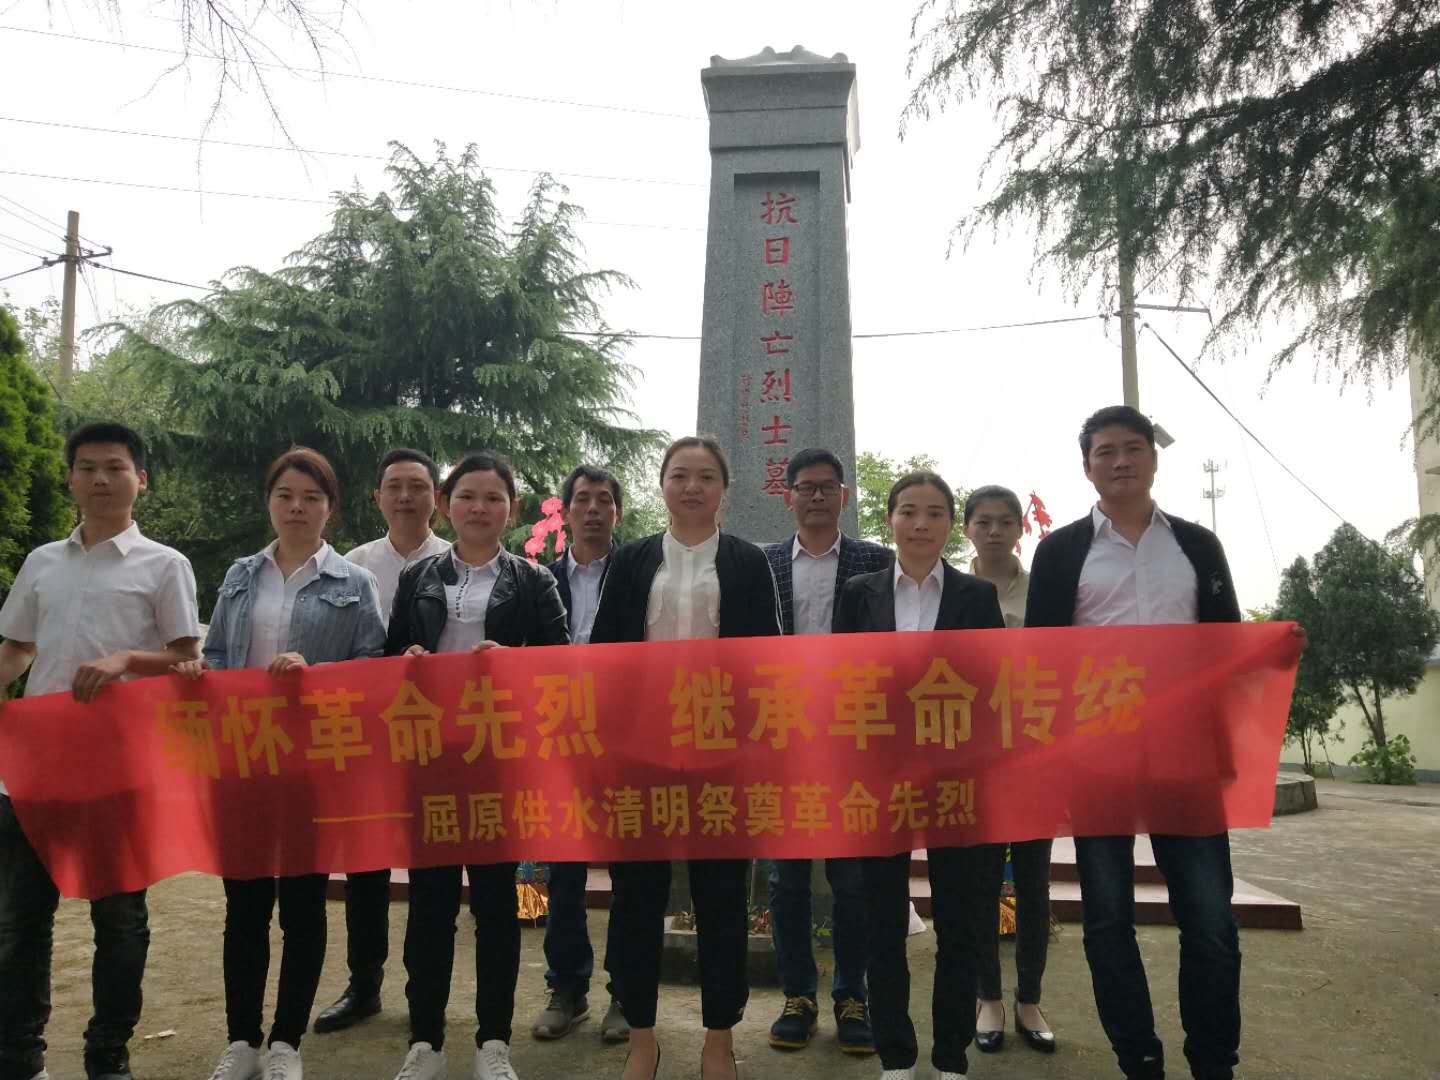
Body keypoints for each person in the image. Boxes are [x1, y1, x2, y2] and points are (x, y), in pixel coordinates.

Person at [1025, 405, 1242, 1080]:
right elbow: (1039, 659)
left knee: (1210, 920)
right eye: (1105, 452)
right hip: (1098, 758)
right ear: (1087, 467)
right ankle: (1138, 1057)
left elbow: (1227, 643)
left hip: (1186, 754)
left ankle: (1213, 1060)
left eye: (1132, 448)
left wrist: (1277, 649)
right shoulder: (1062, 551)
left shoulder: (1197, 545)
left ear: (1152, 457)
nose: (1120, 461)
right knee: (1107, 919)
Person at [0, 422, 201, 1080]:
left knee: (118, 922)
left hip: (120, 769)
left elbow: (186, 661)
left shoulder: (165, 565)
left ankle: (106, 1055)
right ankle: (19, 1057)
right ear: (70, 479)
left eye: (115, 467)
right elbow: (17, 647)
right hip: (33, 768)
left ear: (141, 479)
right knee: (19, 922)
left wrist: (124, 661)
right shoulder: (42, 562)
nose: (101, 479)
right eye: (87, 467)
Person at [179, 446, 386, 1080]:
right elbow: (218, 651)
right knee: (244, 906)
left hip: (312, 766)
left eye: (311, 498)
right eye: (285, 495)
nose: (297, 508)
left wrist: (314, 674)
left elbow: (373, 669)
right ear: (269, 502)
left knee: (302, 907)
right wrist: (202, 672)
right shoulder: (242, 574)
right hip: (243, 761)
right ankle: (242, 1039)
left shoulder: (354, 582)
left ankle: (285, 1043)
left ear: (331, 508)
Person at [589, 436, 782, 1080]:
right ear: (663, 485)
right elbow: (603, 653)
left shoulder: (749, 562)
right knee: (636, 898)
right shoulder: (632, 560)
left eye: (705, 476)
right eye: (680, 475)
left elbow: (767, 661)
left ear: (724, 488)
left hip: (722, 754)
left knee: (722, 898)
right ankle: (642, 1038)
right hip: (641, 755)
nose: (692, 487)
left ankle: (718, 1040)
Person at [385, 451, 568, 1080]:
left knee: (497, 907)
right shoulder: (418, 578)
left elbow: (560, 669)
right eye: (467, 496)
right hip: (433, 762)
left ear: (511, 511)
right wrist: (406, 659)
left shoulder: (534, 582)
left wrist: (515, 662)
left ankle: (494, 1042)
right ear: (445, 505)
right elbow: (387, 656)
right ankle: (426, 1042)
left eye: (494, 498)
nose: (480, 508)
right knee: (429, 907)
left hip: (500, 765)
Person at [832, 470, 1006, 1080]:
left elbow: (991, 688)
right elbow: (841, 680)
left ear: (951, 524)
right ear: (890, 520)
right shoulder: (858, 593)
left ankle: (950, 1056)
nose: (921, 523)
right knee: (882, 922)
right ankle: (896, 1055)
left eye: (934, 512)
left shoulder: (975, 597)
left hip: (955, 777)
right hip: (880, 778)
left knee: (958, 921)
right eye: (909, 511)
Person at [313, 448, 450, 1036]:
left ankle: (426, 993)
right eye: (394, 486)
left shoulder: (456, 561)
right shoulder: (353, 565)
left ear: (436, 499)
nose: (405, 496)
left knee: (430, 872)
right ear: (377, 497)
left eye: (418, 486)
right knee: (365, 867)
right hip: (367, 738)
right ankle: (363, 984)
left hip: (439, 741)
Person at [760, 448, 889, 1056]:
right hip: (783, 739)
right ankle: (798, 995)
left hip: (853, 739)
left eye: (827, 487)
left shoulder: (876, 562)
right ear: (787, 495)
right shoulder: (760, 564)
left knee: (851, 879)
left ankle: (851, 995)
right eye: (805, 487)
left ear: (844, 495)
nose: (816, 496)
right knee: (786, 879)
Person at [531, 464, 629, 1044]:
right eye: (583, 499)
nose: (593, 509)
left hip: (625, 741)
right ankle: (567, 988)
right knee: (563, 870)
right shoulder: (535, 579)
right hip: (559, 742)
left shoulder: (640, 575)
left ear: (618, 511)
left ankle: (626, 991)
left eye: (604, 500)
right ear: (566, 511)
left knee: (629, 872)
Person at [961, 485, 1056, 1056]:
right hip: (973, 759)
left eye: (1005, 522)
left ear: (1020, 529)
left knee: (1033, 880)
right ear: (967, 529)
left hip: (1033, 756)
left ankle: (1030, 999)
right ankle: (988, 998)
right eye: (983, 522)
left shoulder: (1045, 591)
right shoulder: (951, 591)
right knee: (978, 881)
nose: (994, 531)